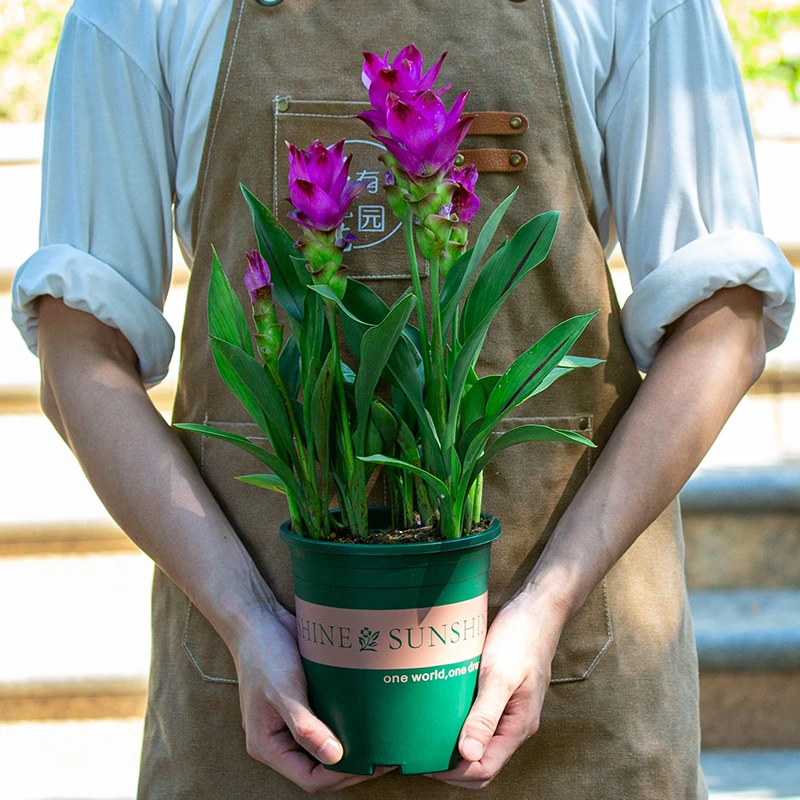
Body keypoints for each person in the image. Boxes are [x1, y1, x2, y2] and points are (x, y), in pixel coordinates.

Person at [11, 0, 795, 797]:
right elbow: (80, 351)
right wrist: (246, 619)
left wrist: (552, 598)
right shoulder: (140, 11)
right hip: (254, 703)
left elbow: (722, 321)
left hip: (579, 697)